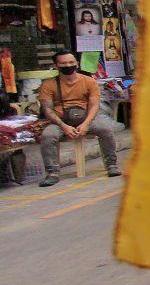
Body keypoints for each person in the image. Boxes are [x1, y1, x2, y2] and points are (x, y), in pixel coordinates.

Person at [38, 50, 122, 186]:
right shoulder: (48, 85)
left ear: (77, 64)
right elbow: (48, 109)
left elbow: (95, 105)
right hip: (61, 122)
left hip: (87, 119)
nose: (68, 65)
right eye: (63, 63)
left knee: (105, 129)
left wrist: (86, 124)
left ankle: (112, 164)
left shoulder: (89, 81)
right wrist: (64, 126)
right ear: (56, 66)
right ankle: (52, 172)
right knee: (48, 135)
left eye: (71, 62)